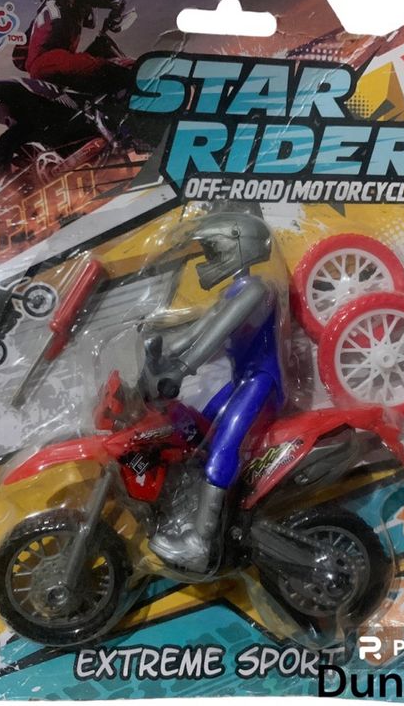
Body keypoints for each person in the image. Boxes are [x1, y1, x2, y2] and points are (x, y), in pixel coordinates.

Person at [141, 213, 286, 571]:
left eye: (213, 250)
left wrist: (181, 369)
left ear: (238, 244)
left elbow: (215, 334)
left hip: (261, 383)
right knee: (190, 431)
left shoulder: (254, 291)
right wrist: (157, 354)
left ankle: (201, 544)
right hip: (241, 382)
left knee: (223, 445)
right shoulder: (233, 291)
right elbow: (194, 334)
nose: (208, 259)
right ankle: (190, 508)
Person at [14, 0, 130, 93]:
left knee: (88, 68)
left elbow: (18, 57)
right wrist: (116, 5)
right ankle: (132, 79)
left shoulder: (39, 18)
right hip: (54, 61)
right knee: (103, 67)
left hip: (40, 72)